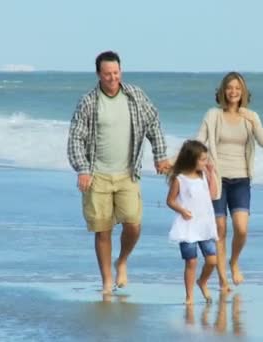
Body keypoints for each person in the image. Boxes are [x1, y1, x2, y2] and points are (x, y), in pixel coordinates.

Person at [67, 51, 171, 294]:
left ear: (120, 71)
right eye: (107, 74)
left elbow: (154, 123)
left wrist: (160, 155)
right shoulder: (88, 102)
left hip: (128, 174)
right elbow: (75, 139)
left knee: (133, 224)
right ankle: (106, 281)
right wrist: (82, 170)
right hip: (97, 175)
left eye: (116, 73)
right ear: (98, 75)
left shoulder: (135, 96)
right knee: (103, 230)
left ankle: (122, 260)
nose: (112, 78)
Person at [195, 72, 263, 291]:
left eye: (238, 88)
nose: (233, 92)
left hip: (241, 179)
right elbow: (199, 140)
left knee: (242, 228)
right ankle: (222, 279)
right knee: (219, 228)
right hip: (217, 178)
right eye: (229, 87)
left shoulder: (250, 116)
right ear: (223, 91)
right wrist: (181, 161)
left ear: (243, 91)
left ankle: (234, 261)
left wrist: (254, 121)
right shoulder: (213, 115)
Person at [167, 140, 218, 305]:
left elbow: (213, 195)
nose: (205, 162)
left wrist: (211, 174)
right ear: (191, 159)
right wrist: (181, 210)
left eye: (206, 159)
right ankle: (189, 296)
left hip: (204, 225)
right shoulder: (180, 179)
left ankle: (202, 281)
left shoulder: (203, 175)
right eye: (202, 160)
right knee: (191, 261)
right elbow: (170, 201)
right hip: (188, 226)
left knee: (212, 260)